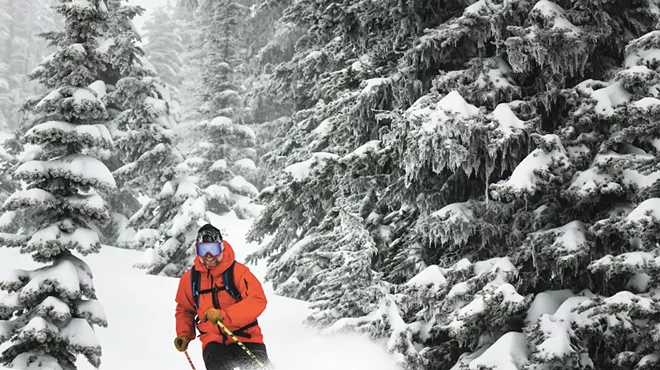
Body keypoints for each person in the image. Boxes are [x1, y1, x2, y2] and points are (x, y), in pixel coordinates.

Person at [173, 224, 272, 370]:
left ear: (222, 248)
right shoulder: (190, 279)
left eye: (213, 249)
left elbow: (257, 300)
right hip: (213, 342)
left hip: (246, 337)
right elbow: (184, 309)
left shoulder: (238, 272)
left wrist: (224, 315)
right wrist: (184, 334)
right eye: (203, 250)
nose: (209, 256)